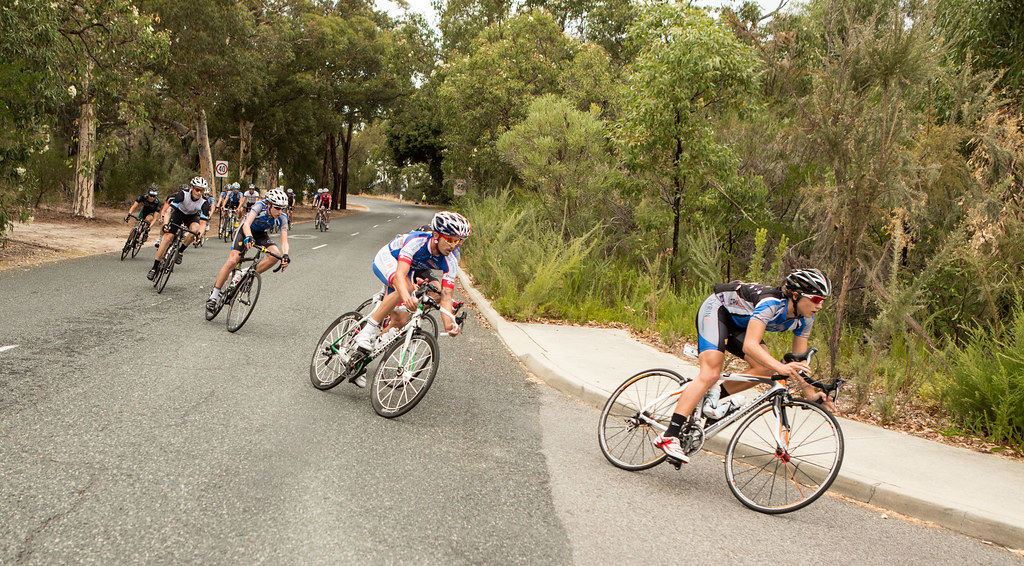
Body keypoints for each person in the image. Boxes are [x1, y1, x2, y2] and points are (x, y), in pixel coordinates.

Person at [653, 268, 835, 463]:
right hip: (717, 311)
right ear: (797, 295)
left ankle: (705, 400)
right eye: (816, 299)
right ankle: (669, 436)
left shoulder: (805, 321)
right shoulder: (770, 304)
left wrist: (810, 393)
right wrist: (780, 367)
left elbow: (795, 362)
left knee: (766, 370)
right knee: (711, 374)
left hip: (739, 325)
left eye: (823, 300)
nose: (820, 305)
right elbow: (750, 345)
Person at [351, 211, 471, 387]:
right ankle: (367, 332)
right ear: (436, 235)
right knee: (405, 288)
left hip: (410, 270)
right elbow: (400, 275)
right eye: (451, 239)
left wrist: (449, 324)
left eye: (460, 240)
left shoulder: (453, 257)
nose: (455, 245)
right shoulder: (417, 241)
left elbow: (446, 296)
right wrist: (407, 297)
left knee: (400, 321)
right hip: (388, 259)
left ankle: (362, 358)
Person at [206, 188, 291, 311]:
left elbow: (284, 241)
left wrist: (286, 255)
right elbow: (246, 224)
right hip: (246, 230)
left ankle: (245, 273)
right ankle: (213, 296)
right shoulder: (259, 206)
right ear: (269, 204)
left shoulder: (282, 218)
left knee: (275, 255)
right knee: (233, 261)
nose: (280, 211)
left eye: (282, 208)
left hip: (261, 234)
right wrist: (249, 237)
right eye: (277, 208)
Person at [147, 177, 211, 281]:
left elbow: (203, 223)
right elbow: (169, 210)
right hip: (178, 213)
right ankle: (154, 268)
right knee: (167, 237)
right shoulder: (183, 194)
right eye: (197, 189)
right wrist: (166, 224)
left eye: (202, 190)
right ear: (191, 188)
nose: (199, 193)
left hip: (191, 216)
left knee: (195, 229)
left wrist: (199, 234)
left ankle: (180, 251)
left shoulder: (204, 203)